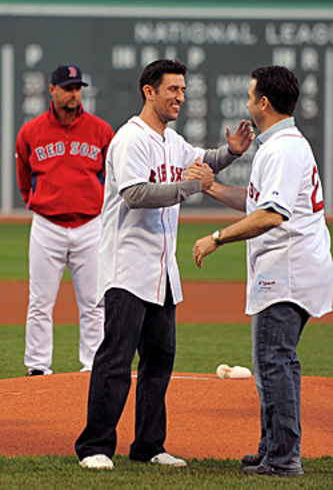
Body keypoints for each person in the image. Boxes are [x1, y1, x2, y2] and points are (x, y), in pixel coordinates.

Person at [75, 58, 254, 470]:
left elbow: (203, 159)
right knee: (115, 361)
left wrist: (230, 153)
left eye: (183, 89)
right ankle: (95, 446)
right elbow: (136, 194)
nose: (180, 97)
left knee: (159, 362)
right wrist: (192, 186)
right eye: (172, 89)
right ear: (149, 91)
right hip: (126, 268)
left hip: (162, 273)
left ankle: (149, 446)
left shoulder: (171, 141)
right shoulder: (129, 139)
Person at [192, 65, 333, 476]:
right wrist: (212, 187)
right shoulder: (282, 144)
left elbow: (271, 215)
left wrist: (216, 238)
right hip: (292, 268)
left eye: (252, 95)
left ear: (264, 103)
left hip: (287, 271)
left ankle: (283, 457)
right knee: (279, 361)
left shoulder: (283, 149)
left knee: (273, 360)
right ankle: (274, 446)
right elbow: (257, 202)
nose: (249, 101)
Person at [15, 64, 115, 376]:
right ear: (52, 90)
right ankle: (37, 366)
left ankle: (93, 364)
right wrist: (32, 201)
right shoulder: (31, 131)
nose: (74, 93)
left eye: (77, 87)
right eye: (68, 87)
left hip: (89, 226)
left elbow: (111, 177)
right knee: (40, 302)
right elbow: (23, 175)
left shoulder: (100, 130)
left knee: (94, 302)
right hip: (47, 226)